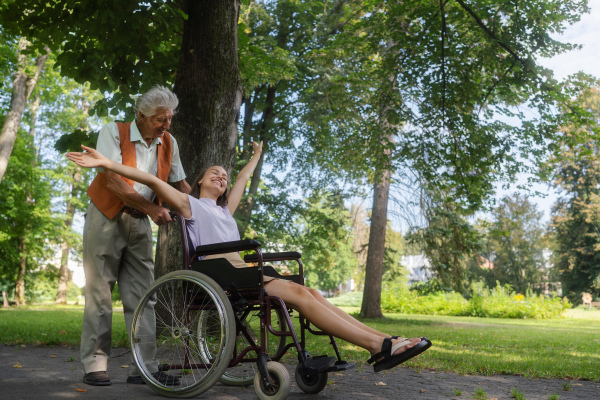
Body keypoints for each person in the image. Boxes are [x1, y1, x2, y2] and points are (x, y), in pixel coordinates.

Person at [67, 141, 431, 374]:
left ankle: (385, 340)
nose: (222, 177)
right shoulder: (188, 204)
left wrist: (255, 156)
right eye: (215, 173)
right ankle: (378, 346)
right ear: (199, 182)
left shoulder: (227, 213)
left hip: (245, 273)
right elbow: (146, 176)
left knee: (315, 294)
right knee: (304, 296)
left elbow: (243, 178)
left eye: (224, 176)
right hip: (223, 276)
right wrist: (106, 163)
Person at [79, 86, 191, 386]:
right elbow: (112, 179)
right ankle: (95, 364)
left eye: (169, 119)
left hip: (141, 222)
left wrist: (204, 208)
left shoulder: (168, 142)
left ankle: (143, 367)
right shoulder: (113, 132)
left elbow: (180, 185)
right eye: (160, 119)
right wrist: (152, 208)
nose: (166, 125)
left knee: (144, 296)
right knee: (100, 294)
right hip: (106, 216)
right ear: (141, 116)